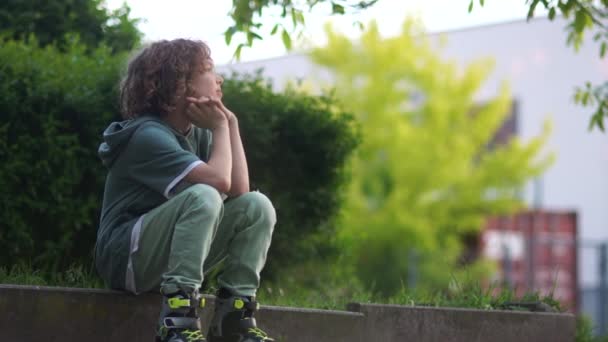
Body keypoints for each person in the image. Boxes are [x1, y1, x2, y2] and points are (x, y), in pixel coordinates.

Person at [95, 39, 276, 342]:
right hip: (126, 260)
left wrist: (229, 123)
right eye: (207, 70)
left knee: (257, 206)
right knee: (203, 194)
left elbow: (239, 191)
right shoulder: (147, 135)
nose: (218, 79)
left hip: (161, 259)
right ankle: (176, 322)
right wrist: (219, 128)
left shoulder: (199, 133)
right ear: (179, 86)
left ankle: (234, 320)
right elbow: (218, 182)